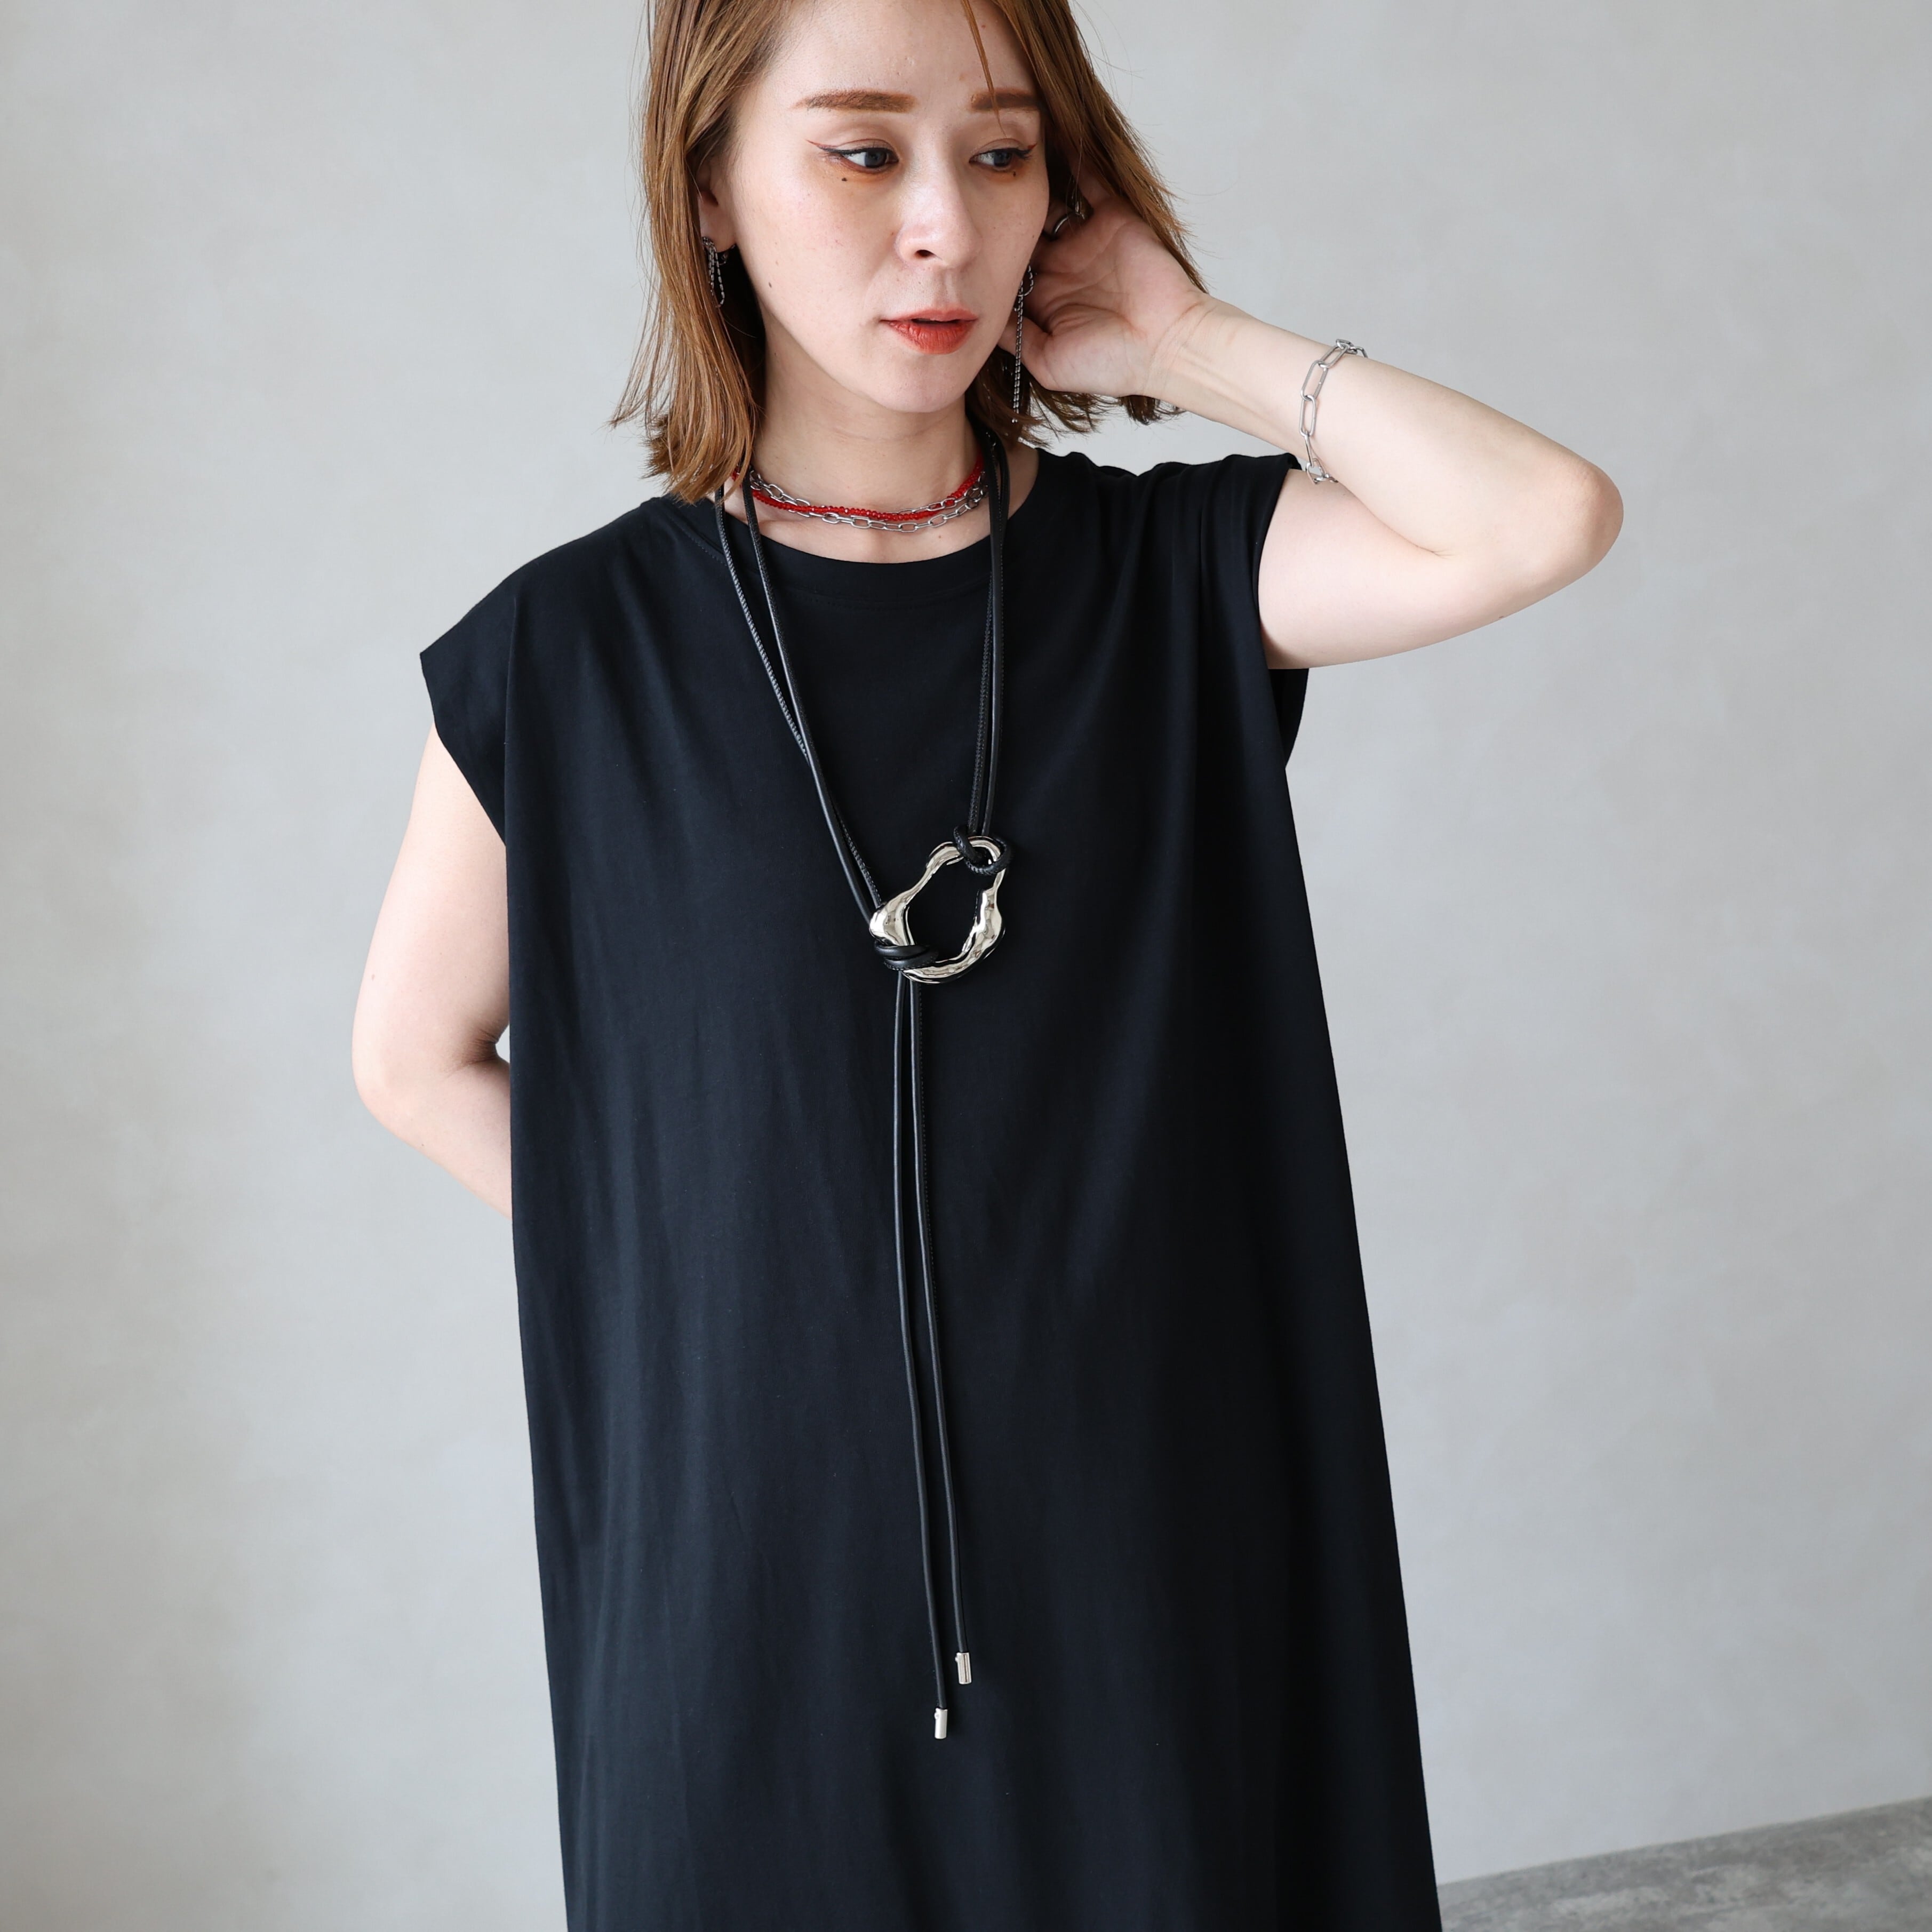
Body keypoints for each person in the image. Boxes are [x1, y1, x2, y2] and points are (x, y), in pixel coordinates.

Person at [352, 0, 1620, 1924]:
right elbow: (412, 1057)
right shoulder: (563, 660)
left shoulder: (1176, 579)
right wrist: (719, 1276)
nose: (944, 223)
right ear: (712, 187)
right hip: (752, 1595)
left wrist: (1186, 343)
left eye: (1004, 153)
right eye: (863, 152)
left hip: (1146, 1560)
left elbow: (1542, 519)